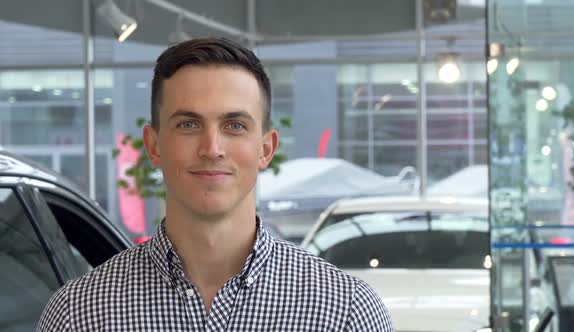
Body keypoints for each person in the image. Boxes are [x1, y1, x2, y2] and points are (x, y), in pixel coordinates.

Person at [37, 37, 393, 331]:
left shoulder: (346, 312)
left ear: (266, 148)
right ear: (154, 146)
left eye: (235, 125)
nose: (212, 149)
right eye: (188, 124)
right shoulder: (78, 315)